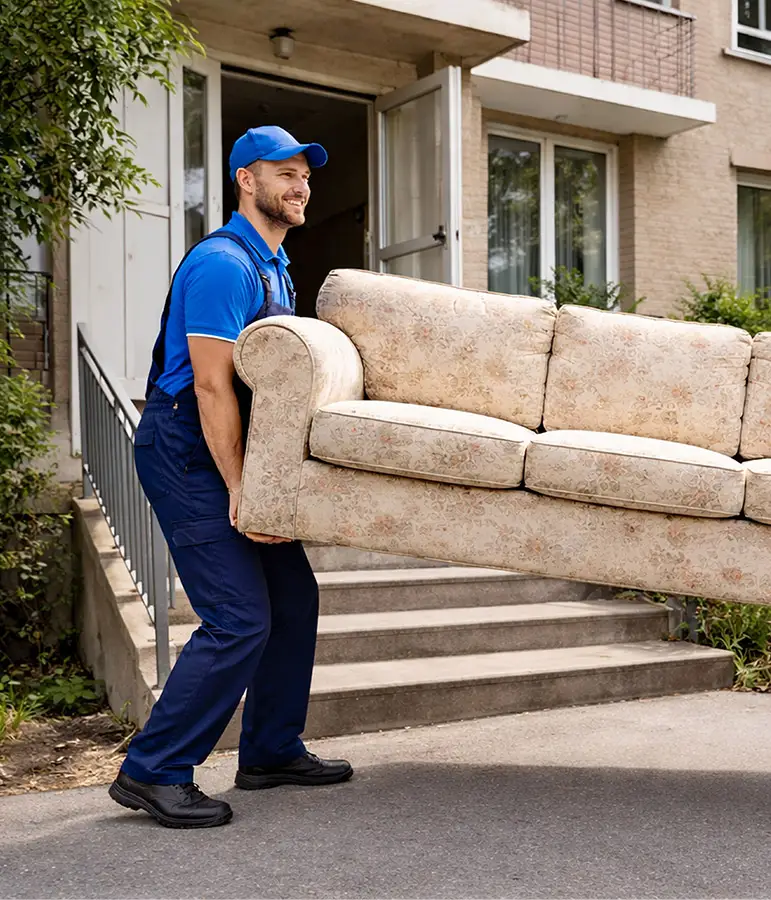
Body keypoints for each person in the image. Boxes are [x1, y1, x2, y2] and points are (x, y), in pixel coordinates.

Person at [108, 126, 353, 829]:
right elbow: (212, 386)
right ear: (246, 180)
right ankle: (153, 770)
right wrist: (243, 487)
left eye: (305, 175)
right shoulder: (223, 264)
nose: (301, 186)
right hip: (187, 449)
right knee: (238, 618)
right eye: (285, 173)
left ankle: (270, 750)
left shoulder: (275, 266)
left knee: (293, 599)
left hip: (232, 448)